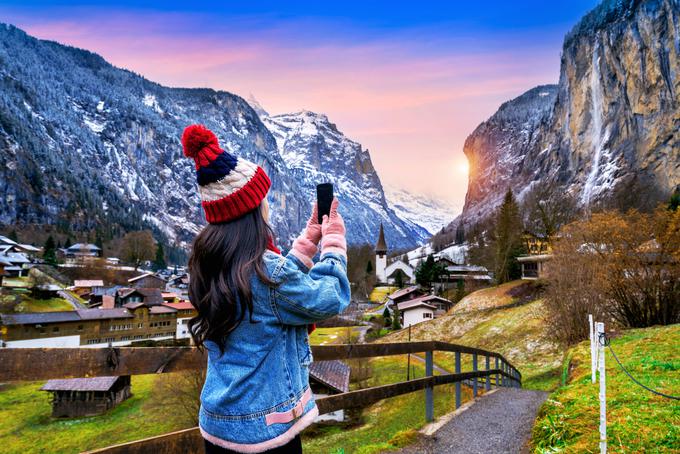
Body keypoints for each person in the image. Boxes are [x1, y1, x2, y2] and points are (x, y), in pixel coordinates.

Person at [181, 124, 350, 453]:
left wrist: (308, 239)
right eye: (263, 199)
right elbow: (329, 297)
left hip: (218, 425)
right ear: (251, 211)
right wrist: (333, 244)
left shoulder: (212, 264)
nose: (267, 206)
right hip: (264, 433)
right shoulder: (264, 271)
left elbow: (274, 292)